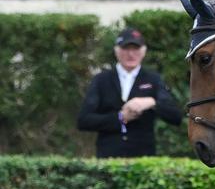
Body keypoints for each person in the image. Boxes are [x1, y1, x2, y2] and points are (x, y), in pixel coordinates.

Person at [77, 28, 181, 158]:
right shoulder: (101, 80)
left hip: (144, 159)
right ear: (117, 51)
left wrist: (151, 102)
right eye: (126, 49)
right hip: (108, 158)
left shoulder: (153, 79)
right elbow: (84, 121)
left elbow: (176, 116)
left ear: (143, 52)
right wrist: (120, 118)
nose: (131, 54)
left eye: (136, 49)